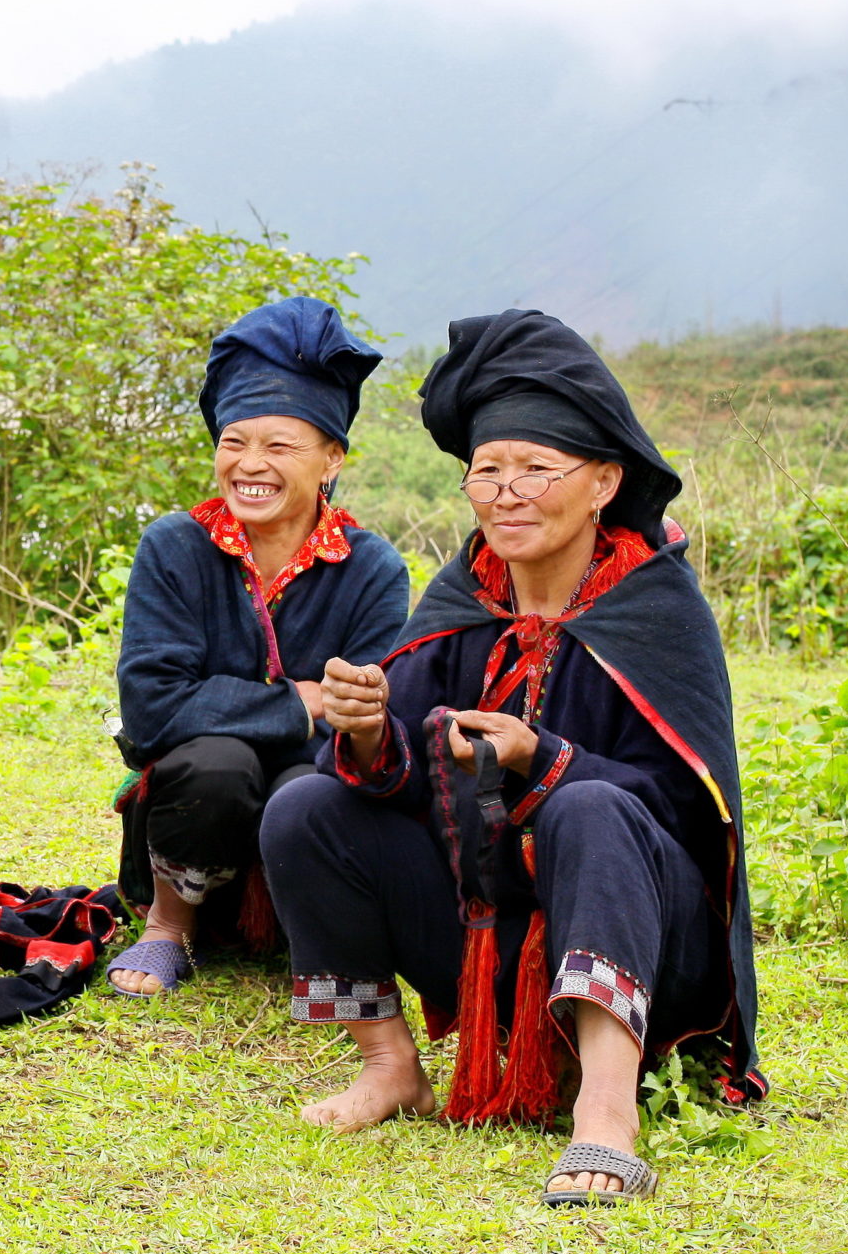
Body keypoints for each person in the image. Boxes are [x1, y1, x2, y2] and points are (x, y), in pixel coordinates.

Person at [260, 309, 765, 1208]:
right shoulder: (461, 600)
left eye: (537, 467)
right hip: (486, 933)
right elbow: (407, 785)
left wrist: (549, 756)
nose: (506, 492)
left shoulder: (658, 609)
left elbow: (692, 818)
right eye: (487, 470)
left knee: (590, 807)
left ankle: (606, 1112)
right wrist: (372, 730)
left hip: (649, 947)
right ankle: (389, 1065)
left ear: (605, 480)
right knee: (304, 803)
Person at [108, 298, 409, 995]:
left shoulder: (372, 568)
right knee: (218, 762)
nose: (250, 464)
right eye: (233, 441)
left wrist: (337, 715)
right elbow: (150, 709)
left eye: (279, 445)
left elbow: (369, 719)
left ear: (331, 459)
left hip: (306, 795)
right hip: (196, 805)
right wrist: (300, 704)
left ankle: (323, 948)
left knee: (306, 788)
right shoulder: (175, 547)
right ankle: (169, 925)